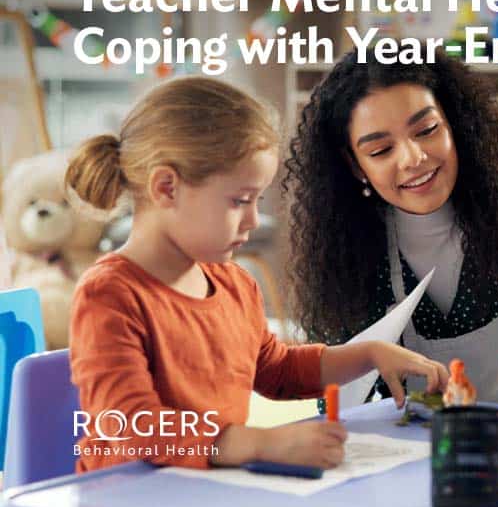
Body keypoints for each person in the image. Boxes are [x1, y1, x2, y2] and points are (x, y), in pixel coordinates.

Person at [67, 76, 447, 473]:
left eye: (256, 200)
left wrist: (369, 354)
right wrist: (259, 442)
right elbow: (130, 424)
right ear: (166, 188)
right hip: (125, 500)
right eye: (239, 200)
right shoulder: (109, 293)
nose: (252, 219)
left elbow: (277, 371)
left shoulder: (233, 284)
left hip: (207, 496)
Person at [284, 50, 498, 404]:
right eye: (382, 150)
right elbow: (336, 398)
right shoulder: (344, 252)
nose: (413, 158)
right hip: (414, 448)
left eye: (427, 130)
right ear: (355, 167)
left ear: (455, 123)